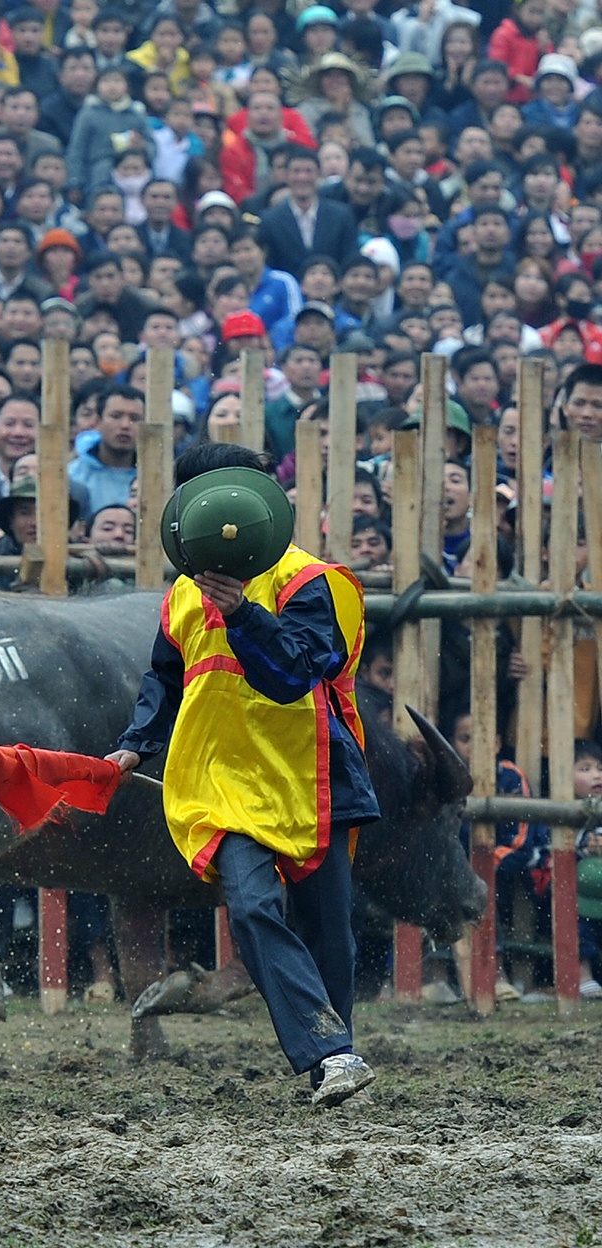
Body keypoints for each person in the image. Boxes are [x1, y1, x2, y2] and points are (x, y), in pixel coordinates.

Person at [107, 441, 379, 1107]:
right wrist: (135, 746)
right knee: (254, 908)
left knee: (329, 934)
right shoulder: (181, 594)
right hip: (222, 783)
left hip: (313, 776)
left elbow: (294, 676)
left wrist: (242, 613)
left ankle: (330, 1069)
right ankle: (334, 1052)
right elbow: (165, 678)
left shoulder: (312, 581)